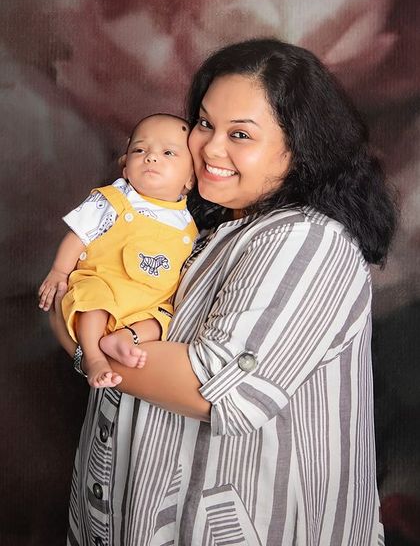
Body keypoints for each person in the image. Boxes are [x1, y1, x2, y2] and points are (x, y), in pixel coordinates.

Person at [49, 38, 397, 545]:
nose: (211, 147)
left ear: (299, 148)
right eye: (206, 124)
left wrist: (86, 345)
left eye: (241, 134)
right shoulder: (198, 229)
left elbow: (215, 389)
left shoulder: (307, 239)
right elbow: (74, 294)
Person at [40, 113, 197, 387]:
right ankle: (94, 357)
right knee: (93, 299)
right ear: (125, 168)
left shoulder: (189, 227)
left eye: (168, 152)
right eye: (139, 150)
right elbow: (78, 235)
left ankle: (125, 338)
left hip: (146, 304)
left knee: (165, 319)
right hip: (104, 285)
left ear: (190, 179)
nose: (151, 157)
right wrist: (60, 271)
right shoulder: (114, 200)